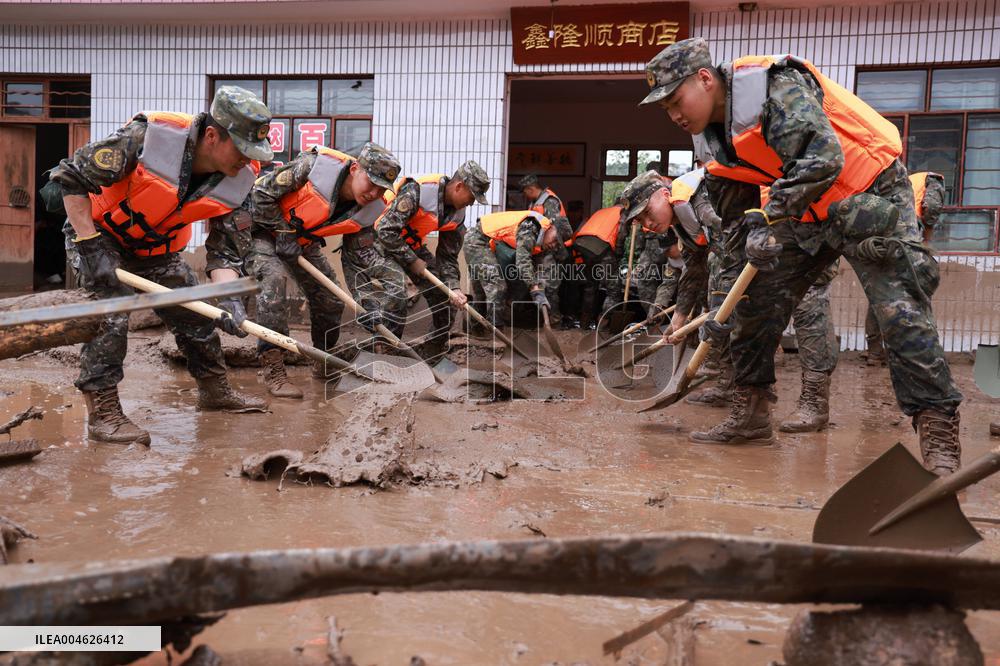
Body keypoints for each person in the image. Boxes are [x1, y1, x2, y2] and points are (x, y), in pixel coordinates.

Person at [640, 38, 961, 474]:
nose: (675, 114)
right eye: (665, 109)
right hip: (808, 212)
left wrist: (767, 215)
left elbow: (822, 158)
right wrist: (723, 301)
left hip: (868, 191)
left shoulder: (775, 87)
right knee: (752, 299)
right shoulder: (712, 145)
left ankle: (938, 433)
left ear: (704, 79)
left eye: (677, 100)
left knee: (899, 311)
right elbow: (734, 227)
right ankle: (751, 412)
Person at [49, 86, 274, 445]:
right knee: (111, 312)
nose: (247, 160)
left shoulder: (243, 178)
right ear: (213, 136)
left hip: (158, 248)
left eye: (254, 152)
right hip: (101, 235)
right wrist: (90, 246)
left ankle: (214, 391)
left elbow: (224, 250)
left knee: (196, 315)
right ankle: (104, 413)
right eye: (243, 149)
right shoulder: (148, 137)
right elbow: (71, 177)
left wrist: (227, 295)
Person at [248, 142, 402, 396]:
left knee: (331, 300)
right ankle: (273, 368)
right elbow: (261, 194)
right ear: (355, 169)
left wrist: (366, 304)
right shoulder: (311, 167)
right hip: (263, 232)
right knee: (274, 282)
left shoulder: (368, 211)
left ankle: (322, 360)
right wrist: (283, 232)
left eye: (380, 188)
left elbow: (356, 260)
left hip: (302, 243)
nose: (374, 193)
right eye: (370, 182)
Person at [372, 160, 490, 362]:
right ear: (460, 186)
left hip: (411, 246)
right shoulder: (418, 190)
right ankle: (384, 355)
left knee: (444, 295)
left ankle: (432, 354)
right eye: (472, 197)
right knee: (397, 293)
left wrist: (454, 287)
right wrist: (412, 260)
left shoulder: (457, 214)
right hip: (380, 244)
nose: (471, 203)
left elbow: (448, 256)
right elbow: (386, 231)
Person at [865, 171, 946, 365]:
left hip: (879, 237)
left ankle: (875, 352)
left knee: (880, 292)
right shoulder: (935, 180)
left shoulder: (902, 180)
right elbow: (931, 207)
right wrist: (926, 237)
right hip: (905, 237)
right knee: (918, 288)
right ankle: (921, 350)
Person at [463, 210, 561, 327]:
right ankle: (495, 332)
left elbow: (535, 268)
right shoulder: (531, 227)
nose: (553, 245)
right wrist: (535, 288)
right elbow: (522, 262)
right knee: (497, 287)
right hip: (477, 241)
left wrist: (539, 287)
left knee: (484, 292)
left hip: (489, 245)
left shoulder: (541, 239)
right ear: (550, 229)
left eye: (557, 244)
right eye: (554, 240)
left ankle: (476, 329)